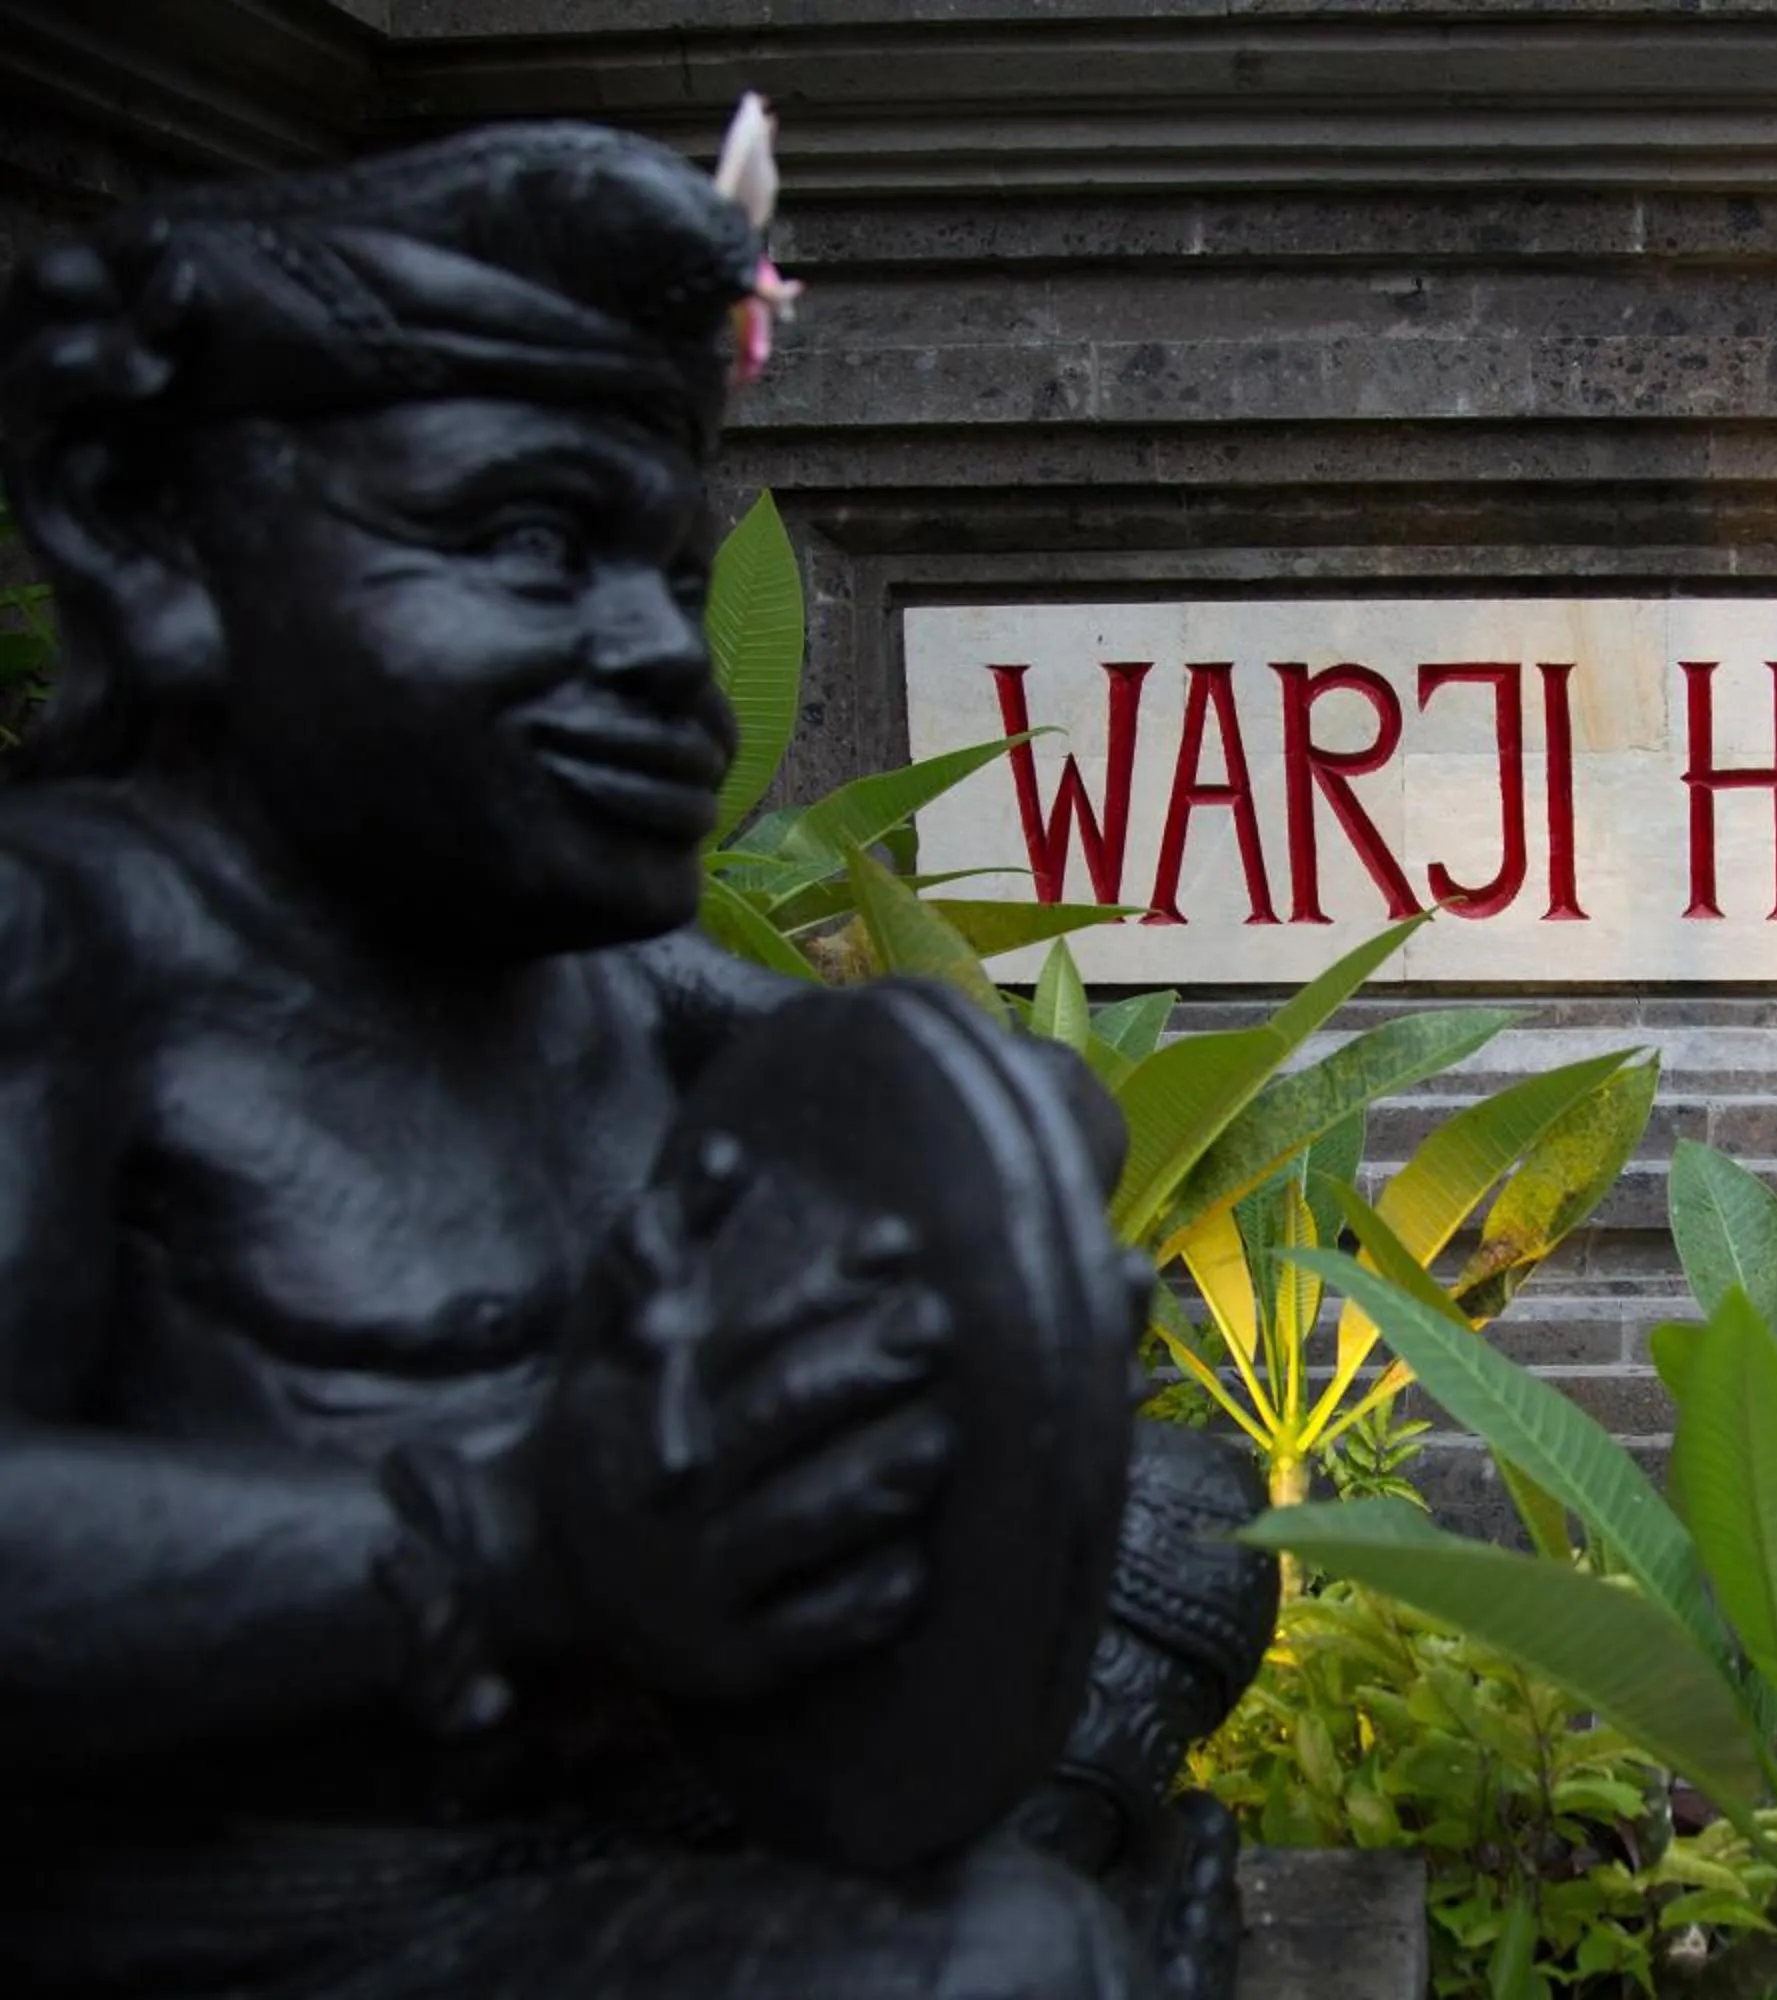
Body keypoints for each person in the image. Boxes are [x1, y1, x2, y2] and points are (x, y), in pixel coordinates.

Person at [0, 117, 1267, 1999]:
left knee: (1186, 1516)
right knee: (993, 1960)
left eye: (674, 579)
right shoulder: (72, 943)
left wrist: (949, 1306)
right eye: (528, 542)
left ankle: (1016, 1848)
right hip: (286, 1900)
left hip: (664, 1780)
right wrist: (518, 1539)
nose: (667, 665)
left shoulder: (592, 974)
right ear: (149, 535)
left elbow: (1003, 1122)